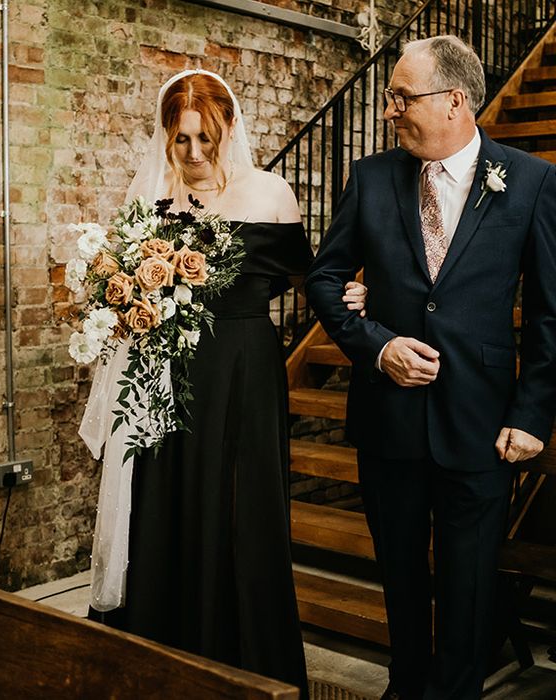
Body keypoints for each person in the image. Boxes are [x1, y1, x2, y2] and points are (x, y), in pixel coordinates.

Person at [80, 69, 366, 692]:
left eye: (204, 139)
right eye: (180, 141)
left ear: (229, 129)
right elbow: (125, 287)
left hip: (243, 373)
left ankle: (246, 665)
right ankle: (161, 656)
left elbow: (309, 279)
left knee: (241, 512)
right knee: (166, 506)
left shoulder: (270, 195)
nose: (193, 155)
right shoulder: (149, 200)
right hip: (165, 380)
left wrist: (353, 296)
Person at [305, 36, 556, 700]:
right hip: (389, 419)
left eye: (401, 96)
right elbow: (326, 280)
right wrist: (376, 345)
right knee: (401, 578)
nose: (390, 110)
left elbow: (551, 315)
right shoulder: (371, 177)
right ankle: (405, 687)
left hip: (482, 423)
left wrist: (533, 415)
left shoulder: (530, 181)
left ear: (455, 101)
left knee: (470, 587)